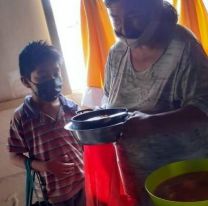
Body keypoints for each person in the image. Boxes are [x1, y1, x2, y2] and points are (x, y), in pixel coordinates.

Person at [103, 0, 208, 205]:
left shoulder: (183, 47)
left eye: (133, 16)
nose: (123, 27)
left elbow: (204, 106)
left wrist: (151, 123)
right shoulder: (116, 54)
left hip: (184, 178)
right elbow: (109, 100)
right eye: (115, 17)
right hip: (136, 176)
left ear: (154, 10)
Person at [8, 41, 85, 206]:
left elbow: (84, 145)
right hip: (55, 196)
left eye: (56, 73)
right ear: (26, 81)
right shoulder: (22, 117)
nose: (52, 80)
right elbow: (14, 157)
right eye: (42, 76)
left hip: (85, 184)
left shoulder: (72, 108)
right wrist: (44, 166)